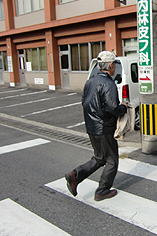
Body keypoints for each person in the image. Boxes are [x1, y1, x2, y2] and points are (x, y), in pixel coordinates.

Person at [65, 50, 127, 201]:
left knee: (99, 158)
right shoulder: (108, 83)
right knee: (112, 160)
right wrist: (123, 107)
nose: (115, 68)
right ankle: (102, 190)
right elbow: (113, 108)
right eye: (115, 65)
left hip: (91, 127)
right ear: (111, 65)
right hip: (105, 128)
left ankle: (75, 175)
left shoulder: (90, 81)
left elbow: (84, 103)